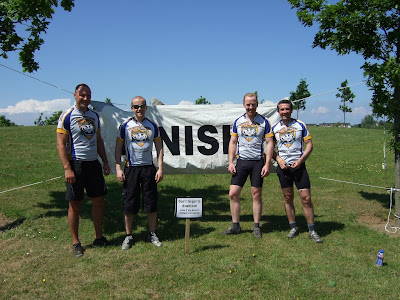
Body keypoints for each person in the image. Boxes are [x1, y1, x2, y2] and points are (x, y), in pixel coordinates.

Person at [57, 83, 111, 258]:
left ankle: (99, 236)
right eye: (82, 95)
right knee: (76, 203)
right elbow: (60, 143)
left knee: (99, 200)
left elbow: (99, 140)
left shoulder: (94, 116)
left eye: (88, 95)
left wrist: (105, 162)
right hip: (76, 164)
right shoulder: (67, 116)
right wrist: (67, 168)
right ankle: (76, 243)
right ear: (75, 95)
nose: (85, 98)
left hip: (93, 163)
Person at [222, 92, 274, 238]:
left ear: (257, 104)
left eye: (253, 104)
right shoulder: (238, 121)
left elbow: (270, 143)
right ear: (244, 105)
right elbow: (232, 142)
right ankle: (235, 226)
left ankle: (256, 226)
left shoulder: (264, 122)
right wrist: (231, 162)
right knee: (233, 193)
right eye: (248, 104)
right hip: (242, 162)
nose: (250, 107)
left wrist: (267, 163)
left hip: (258, 162)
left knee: (256, 195)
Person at [115, 96, 164, 250]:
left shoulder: (152, 126)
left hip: (148, 168)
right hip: (131, 168)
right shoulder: (125, 126)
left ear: (146, 108)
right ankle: (128, 236)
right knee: (129, 203)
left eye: (142, 106)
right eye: (136, 107)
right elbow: (118, 148)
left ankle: (152, 233)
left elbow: (159, 147)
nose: (139, 109)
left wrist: (160, 168)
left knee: (151, 202)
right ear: (131, 108)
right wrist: (118, 168)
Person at [272, 99, 322, 243]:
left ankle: (312, 230)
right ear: (278, 112)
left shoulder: (300, 125)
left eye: (287, 109)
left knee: (306, 198)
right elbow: (269, 148)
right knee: (288, 198)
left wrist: (300, 161)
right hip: (283, 168)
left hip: (299, 167)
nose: (285, 112)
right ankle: (293, 227)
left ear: (291, 110)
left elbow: (309, 145)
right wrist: (279, 160)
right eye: (282, 109)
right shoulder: (275, 128)